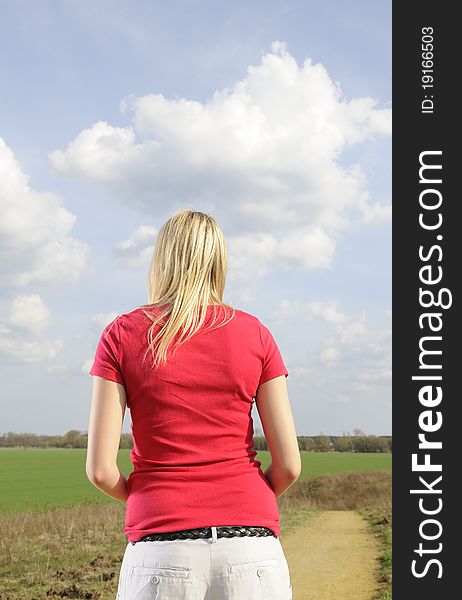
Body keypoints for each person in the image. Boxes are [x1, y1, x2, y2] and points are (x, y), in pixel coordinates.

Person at [86, 208, 301, 599]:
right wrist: (243, 501)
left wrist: (151, 496)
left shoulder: (122, 334)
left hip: (160, 551)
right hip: (253, 549)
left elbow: (101, 471)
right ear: (219, 263)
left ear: (161, 261)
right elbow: (289, 465)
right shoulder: (257, 334)